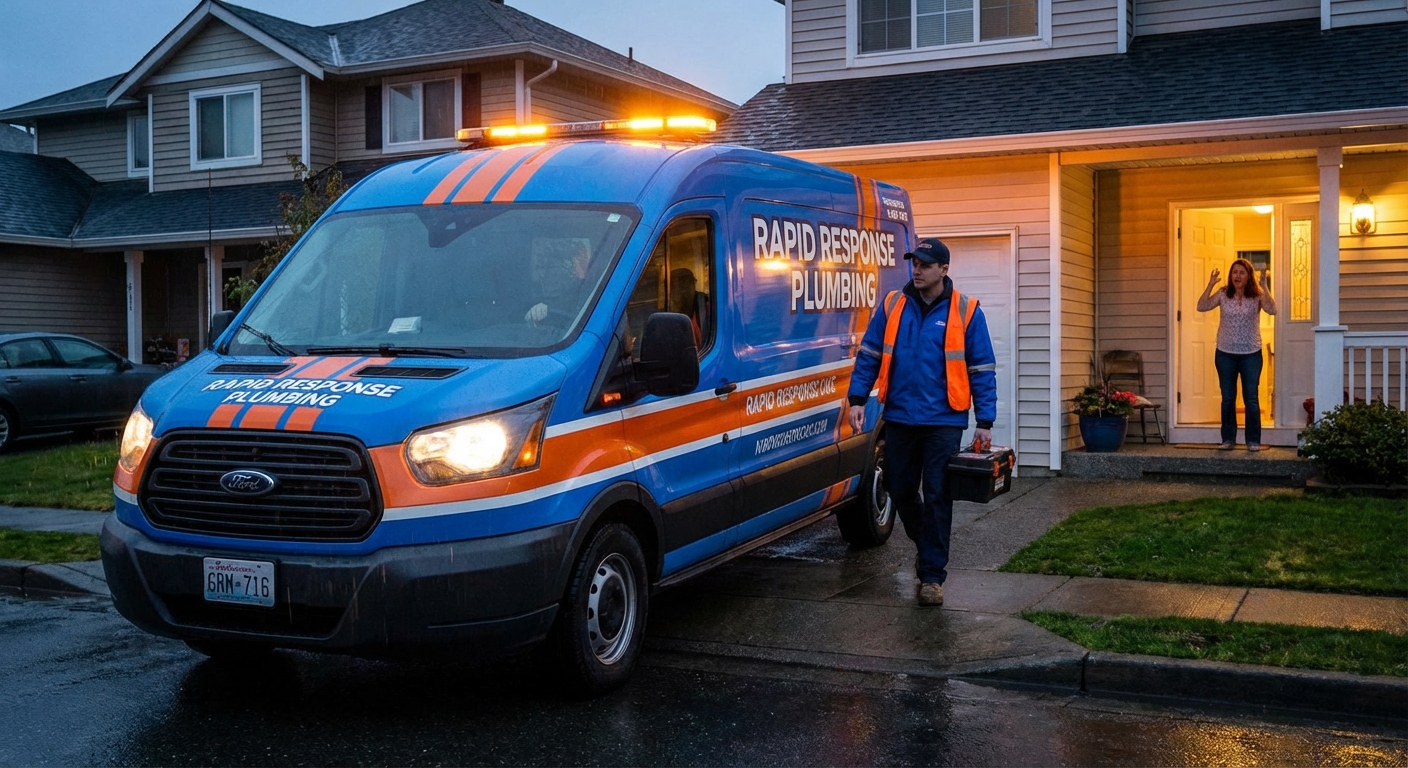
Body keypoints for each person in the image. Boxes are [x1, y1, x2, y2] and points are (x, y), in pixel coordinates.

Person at [846, 237, 998, 607]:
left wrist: (985, 420)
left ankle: (932, 576)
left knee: (937, 496)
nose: (917, 269)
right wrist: (856, 398)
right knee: (898, 490)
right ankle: (925, 544)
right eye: (914, 262)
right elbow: (868, 353)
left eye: (926, 264)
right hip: (898, 414)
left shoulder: (967, 311)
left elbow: (982, 368)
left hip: (944, 420)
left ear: (944, 270)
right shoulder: (893, 305)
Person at [1196, 257, 1276, 451]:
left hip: (1251, 353)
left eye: (1241, 272)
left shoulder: (1256, 295)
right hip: (1225, 354)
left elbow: (1272, 309)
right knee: (1228, 397)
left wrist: (1264, 285)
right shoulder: (1223, 294)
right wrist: (1210, 284)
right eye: (1234, 272)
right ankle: (1228, 439)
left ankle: (1253, 440)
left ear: (1248, 276)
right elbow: (1202, 305)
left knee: (1251, 397)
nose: (1237, 276)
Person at [525, 239, 592, 323]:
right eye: (552, 268)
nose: (556, 273)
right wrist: (536, 313)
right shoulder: (529, 296)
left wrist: (549, 309)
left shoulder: (588, 292)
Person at [668, 267, 710, 346]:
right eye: (680, 285)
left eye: (689, 283)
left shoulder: (706, 306)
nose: (685, 290)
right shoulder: (666, 311)